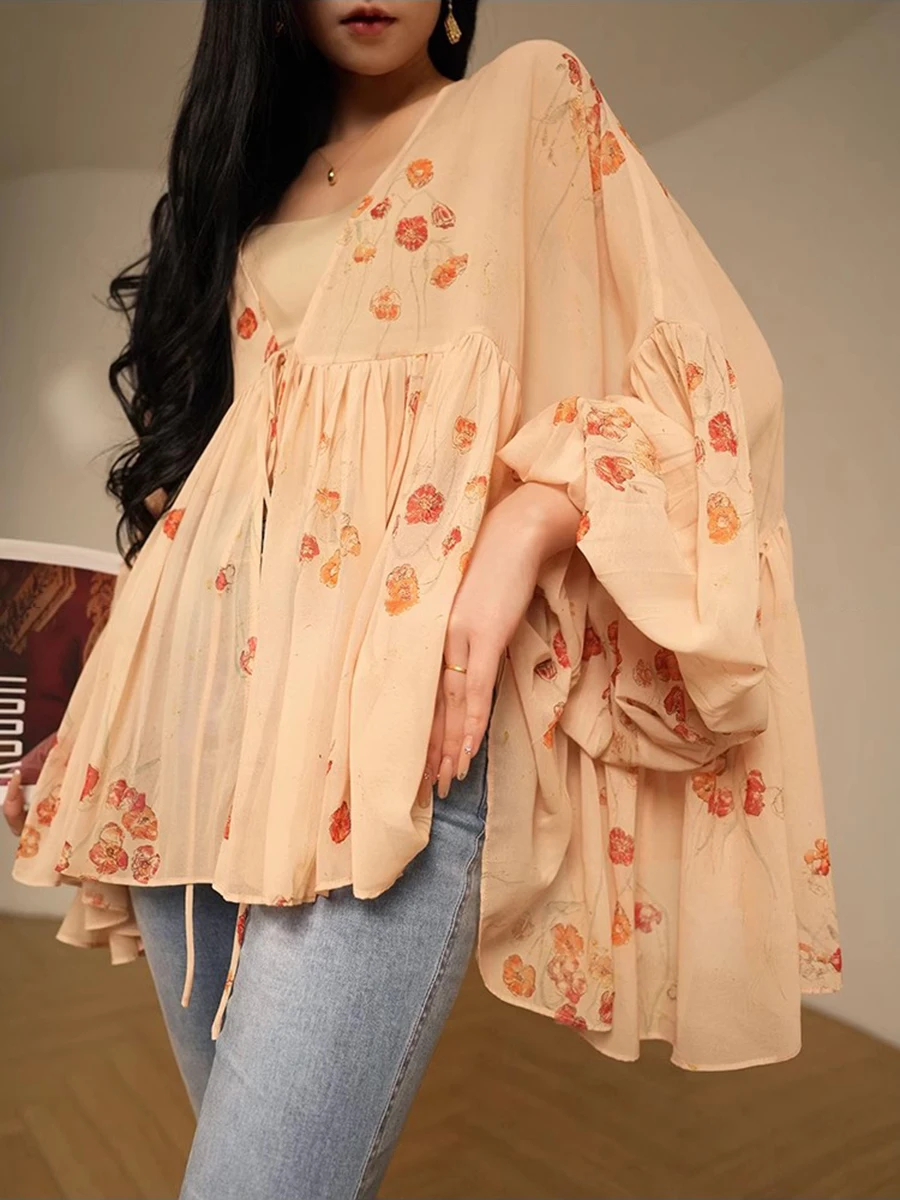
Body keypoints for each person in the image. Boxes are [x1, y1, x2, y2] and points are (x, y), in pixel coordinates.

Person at [6, 1, 841, 1196]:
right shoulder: (254, 180)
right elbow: (230, 500)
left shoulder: (526, 105)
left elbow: (716, 395)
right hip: (196, 745)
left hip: (398, 752)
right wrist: (94, 719)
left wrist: (527, 525)